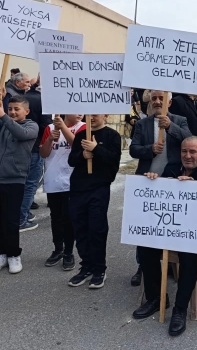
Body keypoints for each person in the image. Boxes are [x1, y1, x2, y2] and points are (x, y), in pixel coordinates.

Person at [134, 136, 197, 336]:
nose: (187, 156)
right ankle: (156, 297)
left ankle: (180, 308)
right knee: (145, 244)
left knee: (190, 253)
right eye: (184, 151)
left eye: (193, 152)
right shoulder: (173, 167)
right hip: (172, 229)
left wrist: (193, 186)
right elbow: (162, 195)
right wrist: (152, 181)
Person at [129, 91, 192, 284]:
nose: (157, 101)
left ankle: (169, 264)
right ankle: (143, 266)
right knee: (145, 226)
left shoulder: (180, 120)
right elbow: (133, 149)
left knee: (169, 225)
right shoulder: (142, 123)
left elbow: (190, 140)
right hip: (147, 180)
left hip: (172, 181)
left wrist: (170, 127)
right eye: (154, 98)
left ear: (169, 102)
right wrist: (150, 149)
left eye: (161, 99)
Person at [0, 93, 38, 276]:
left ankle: (14, 254)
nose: (12, 112)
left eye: (17, 109)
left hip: (13, 180)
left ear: (27, 111)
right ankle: (0, 253)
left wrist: (4, 116)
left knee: (10, 221)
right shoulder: (3, 125)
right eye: (10, 109)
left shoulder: (31, 126)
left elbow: (20, 133)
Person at [67, 114, 121, 289]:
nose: (92, 117)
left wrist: (96, 148)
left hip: (99, 188)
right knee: (80, 228)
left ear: (105, 115)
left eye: (96, 113)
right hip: (78, 189)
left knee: (97, 228)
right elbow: (71, 160)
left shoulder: (112, 136)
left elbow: (113, 160)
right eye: (89, 113)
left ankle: (99, 269)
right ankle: (86, 266)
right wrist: (83, 154)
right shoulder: (82, 135)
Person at [39, 114, 86, 270]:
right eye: (75, 110)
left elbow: (77, 145)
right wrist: (50, 139)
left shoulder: (83, 127)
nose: (80, 114)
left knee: (69, 218)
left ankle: (68, 252)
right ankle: (58, 249)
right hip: (54, 179)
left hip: (73, 180)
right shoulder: (50, 128)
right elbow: (43, 153)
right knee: (56, 217)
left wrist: (63, 128)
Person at [17, 76, 52, 232]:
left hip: (21, 146)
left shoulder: (25, 97)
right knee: (31, 183)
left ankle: (24, 213)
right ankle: (21, 218)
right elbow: (46, 125)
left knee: (23, 183)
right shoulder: (43, 100)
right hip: (36, 146)